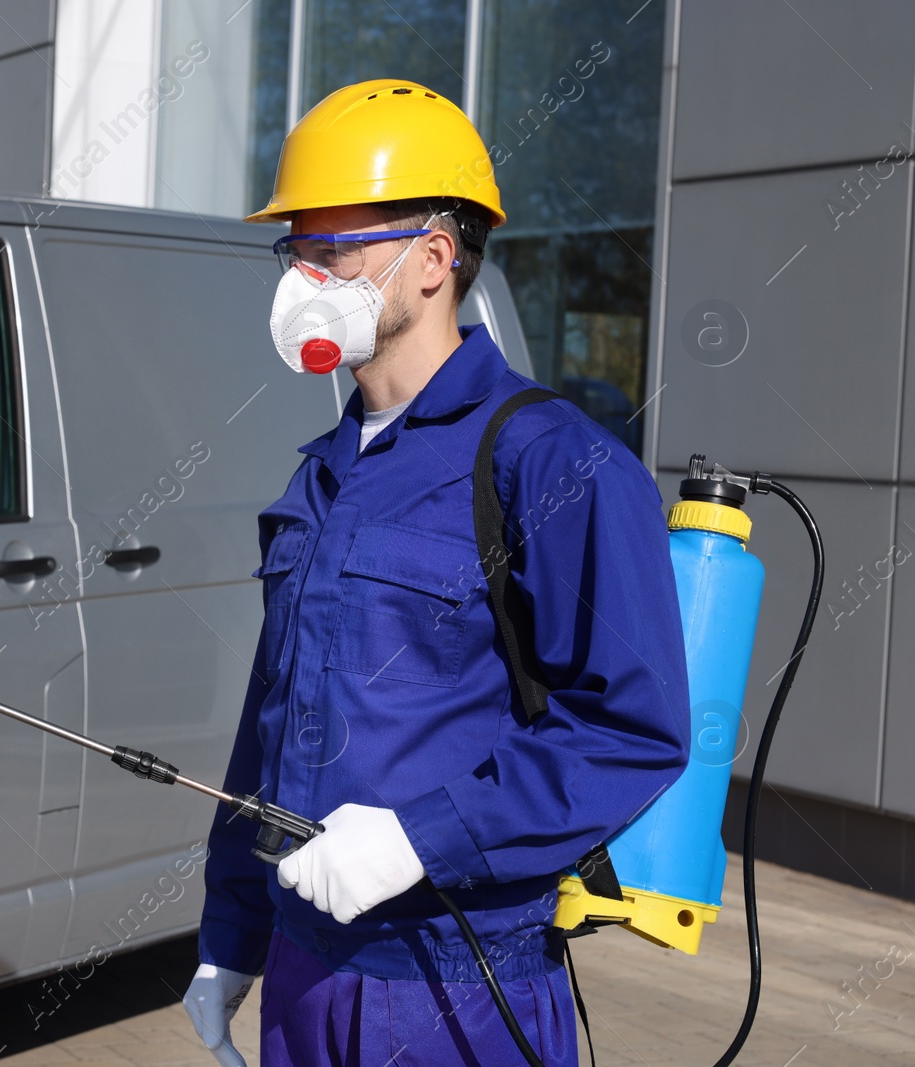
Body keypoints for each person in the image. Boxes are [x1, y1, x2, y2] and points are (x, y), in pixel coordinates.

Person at [182, 79, 691, 1067]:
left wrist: (423, 836)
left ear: (433, 256)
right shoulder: (325, 471)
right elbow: (273, 721)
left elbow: (632, 729)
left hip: (453, 989)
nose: (305, 278)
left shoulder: (551, 463)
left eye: (337, 249)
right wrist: (229, 932)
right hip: (301, 971)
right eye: (297, 248)